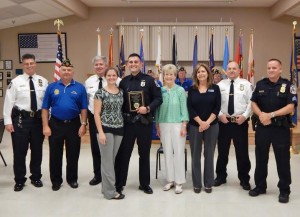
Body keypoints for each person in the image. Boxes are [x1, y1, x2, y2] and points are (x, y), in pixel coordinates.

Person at [249, 58, 297, 203]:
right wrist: (261, 115)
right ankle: (260, 186)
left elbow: (291, 107)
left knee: (282, 159)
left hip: (280, 128)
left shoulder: (288, 85)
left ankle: (284, 190)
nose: (271, 70)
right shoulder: (260, 84)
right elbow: (253, 102)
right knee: (261, 157)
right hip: (263, 127)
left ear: (280, 69)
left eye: (274, 68)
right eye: (269, 67)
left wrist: (271, 115)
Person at [115, 53, 162, 194]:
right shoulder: (123, 82)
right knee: (124, 154)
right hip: (128, 123)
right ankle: (120, 183)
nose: (133, 64)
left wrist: (147, 108)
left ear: (140, 64)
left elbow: (159, 99)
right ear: (128, 64)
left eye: (136, 61)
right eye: (131, 62)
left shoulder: (149, 80)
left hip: (144, 123)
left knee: (144, 154)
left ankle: (144, 184)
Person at [3, 53, 48, 192]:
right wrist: (8, 121)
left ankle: (35, 177)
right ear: (23, 65)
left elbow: (46, 104)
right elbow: (8, 102)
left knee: (37, 151)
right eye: (26, 63)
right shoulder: (16, 82)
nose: (29, 66)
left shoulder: (43, 81)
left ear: (35, 64)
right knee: (19, 152)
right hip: (20, 121)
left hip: (37, 120)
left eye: (31, 63)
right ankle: (20, 180)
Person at [42, 59, 88, 191]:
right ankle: (56, 181)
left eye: (69, 70)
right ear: (59, 71)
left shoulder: (80, 87)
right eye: (64, 69)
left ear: (73, 72)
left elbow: (84, 108)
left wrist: (83, 124)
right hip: (55, 123)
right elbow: (45, 108)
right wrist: (46, 126)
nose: (66, 72)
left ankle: (72, 179)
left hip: (73, 124)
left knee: (73, 153)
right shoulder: (51, 87)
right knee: (55, 154)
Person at [214, 61, 252, 191]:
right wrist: (219, 115)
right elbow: (215, 104)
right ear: (226, 71)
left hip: (240, 123)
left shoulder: (246, 84)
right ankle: (220, 176)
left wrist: (245, 116)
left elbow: (251, 103)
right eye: (229, 69)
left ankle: (244, 179)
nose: (231, 71)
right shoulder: (219, 85)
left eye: (234, 68)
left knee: (242, 152)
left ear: (239, 70)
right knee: (222, 152)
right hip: (224, 123)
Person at [85, 56, 121, 186]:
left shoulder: (116, 80)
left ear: (106, 65)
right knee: (96, 148)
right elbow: (86, 101)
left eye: (101, 64)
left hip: (113, 120)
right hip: (95, 117)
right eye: (96, 65)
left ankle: (112, 176)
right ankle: (98, 175)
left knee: (111, 150)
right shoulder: (88, 81)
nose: (99, 67)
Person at [187, 63, 221, 194]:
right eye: (198, 72)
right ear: (196, 75)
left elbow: (217, 108)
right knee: (195, 155)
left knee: (209, 154)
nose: (201, 73)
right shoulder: (192, 89)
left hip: (212, 126)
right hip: (195, 126)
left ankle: (208, 183)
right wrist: (201, 123)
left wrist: (206, 123)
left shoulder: (215, 88)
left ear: (208, 73)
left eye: (203, 71)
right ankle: (196, 183)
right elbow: (190, 108)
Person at [155, 64, 189, 194]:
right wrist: (157, 125)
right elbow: (157, 109)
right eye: (166, 74)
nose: (169, 76)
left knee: (178, 152)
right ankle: (170, 180)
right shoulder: (160, 90)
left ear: (175, 76)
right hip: (163, 124)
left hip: (178, 125)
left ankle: (179, 181)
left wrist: (184, 125)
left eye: (171, 74)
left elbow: (184, 109)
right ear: (163, 76)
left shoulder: (180, 90)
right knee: (167, 152)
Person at [94, 67, 125, 200]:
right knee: (107, 161)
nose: (112, 77)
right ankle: (110, 192)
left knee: (110, 161)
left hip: (119, 128)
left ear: (117, 77)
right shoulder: (100, 92)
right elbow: (96, 113)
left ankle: (105, 188)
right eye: (109, 75)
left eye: (114, 75)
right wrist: (100, 132)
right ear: (105, 76)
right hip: (105, 128)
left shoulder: (121, 92)